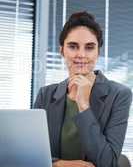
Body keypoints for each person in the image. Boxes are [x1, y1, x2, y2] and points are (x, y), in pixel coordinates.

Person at [34, 11, 132, 167]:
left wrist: (83, 104)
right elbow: (32, 154)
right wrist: (58, 164)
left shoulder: (119, 95)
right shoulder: (45, 95)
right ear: (62, 51)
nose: (81, 54)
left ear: (98, 52)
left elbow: (108, 163)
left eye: (89, 47)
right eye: (73, 46)